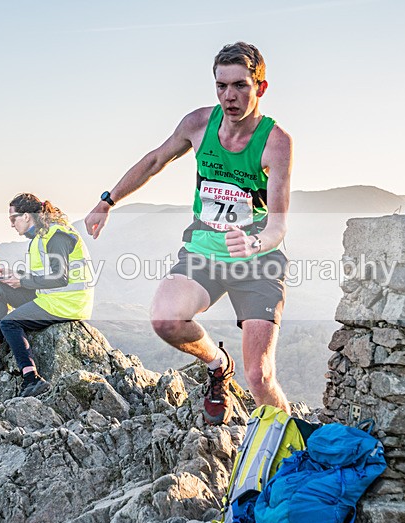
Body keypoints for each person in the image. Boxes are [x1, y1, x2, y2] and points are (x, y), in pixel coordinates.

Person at [84, 42, 293, 424]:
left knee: (260, 379)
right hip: (205, 250)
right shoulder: (198, 124)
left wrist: (254, 242)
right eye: (221, 86)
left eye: (241, 86)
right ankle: (217, 365)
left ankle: (291, 446)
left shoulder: (276, 143)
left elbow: (278, 223)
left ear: (260, 88)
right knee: (165, 320)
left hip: (257, 260)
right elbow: (154, 161)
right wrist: (107, 201)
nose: (230, 96)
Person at [0, 193, 94, 397]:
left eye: (13, 219)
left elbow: (60, 277)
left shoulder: (57, 236)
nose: (12, 225)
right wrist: (15, 275)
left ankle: (32, 378)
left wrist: (22, 282)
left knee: (9, 323)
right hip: (51, 296)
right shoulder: (41, 237)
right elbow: (44, 274)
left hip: (68, 302)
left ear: (27, 216)